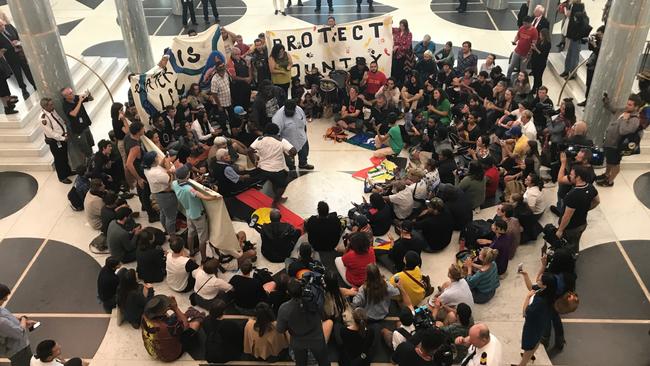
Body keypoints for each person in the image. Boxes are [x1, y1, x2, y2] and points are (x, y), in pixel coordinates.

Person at [276, 279, 333, 366]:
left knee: (301, 363)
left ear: (288, 292)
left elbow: (280, 329)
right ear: (302, 288)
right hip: (317, 339)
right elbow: (324, 314)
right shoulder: (315, 300)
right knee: (324, 362)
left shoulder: (284, 309)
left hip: (298, 342)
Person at [172, 164, 217, 260]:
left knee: (191, 233)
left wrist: (195, 181)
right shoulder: (189, 189)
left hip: (189, 213)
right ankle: (204, 259)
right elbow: (203, 197)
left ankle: (191, 252)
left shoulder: (175, 184)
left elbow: (185, 184)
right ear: (188, 175)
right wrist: (215, 196)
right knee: (202, 239)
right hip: (198, 215)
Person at [597, 94, 643, 187]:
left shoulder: (635, 120)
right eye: (627, 103)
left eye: (630, 105)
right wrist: (607, 102)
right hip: (609, 142)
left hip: (616, 146)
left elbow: (623, 131)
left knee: (615, 164)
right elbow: (614, 109)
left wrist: (625, 120)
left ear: (636, 107)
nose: (627, 106)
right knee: (609, 160)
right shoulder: (623, 110)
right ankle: (606, 174)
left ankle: (609, 181)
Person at [141, 295, 202, 362]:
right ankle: (200, 317)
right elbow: (186, 326)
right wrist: (175, 308)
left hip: (152, 352)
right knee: (195, 324)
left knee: (176, 316)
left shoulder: (144, 316)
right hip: (170, 356)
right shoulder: (169, 325)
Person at [514, 272, 557, 366]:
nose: (537, 280)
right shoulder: (548, 292)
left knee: (528, 346)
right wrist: (525, 275)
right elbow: (532, 288)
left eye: (540, 280)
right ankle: (530, 355)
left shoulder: (539, 302)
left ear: (545, 285)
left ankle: (522, 364)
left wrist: (527, 297)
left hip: (532, 326)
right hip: (541, 323)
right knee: (536, 341)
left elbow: (525, 313)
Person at [248, 123, 297, 206]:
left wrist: (254, 162)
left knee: (274, 183)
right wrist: (291, 156)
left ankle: (278, 198)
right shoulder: (281, 140)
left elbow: (249, 150)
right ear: (277, 131)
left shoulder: (259, 139)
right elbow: (294, 151)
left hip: (262, 168)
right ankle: (275, 202)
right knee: (282, 186)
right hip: (277, 169)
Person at [557, 164, 600, 254]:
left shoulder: (572, 195)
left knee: (568, 246)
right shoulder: (591, 187)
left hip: (571, 228)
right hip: (582, 223)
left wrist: (560, 230)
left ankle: (571, 258)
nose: (569, 176)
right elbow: (597, 201)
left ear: (578, 177)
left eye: (572, 175)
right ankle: (575, 253)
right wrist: (585, 209)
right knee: (575, 242)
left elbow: (567, 216)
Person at [124, 122, 159, 222]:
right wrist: (139, 178)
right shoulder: (135, 147)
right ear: (138, 131)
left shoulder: (128, 137)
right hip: (139, 170)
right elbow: (128, 164)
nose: (144, 130)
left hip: (136, 168)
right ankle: (151, 215)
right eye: (143, 129)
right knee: (145, 191)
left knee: (141, 189)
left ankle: (144, 205)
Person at [142, 152, 177, 238]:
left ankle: (166, 230)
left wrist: (164, 159)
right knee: (170, 217)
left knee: (163, 213)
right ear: (154, 160)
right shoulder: (156, 173)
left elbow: (160, 167)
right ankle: (173, 237)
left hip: (159, 195)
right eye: (157, 157)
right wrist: (168, 163)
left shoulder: (147, 168)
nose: (158, 158)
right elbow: (170, 180)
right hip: (166, 196)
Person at [0, 283, 35, 366]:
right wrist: (23, 318)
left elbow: (7, 316)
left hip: (17, 347)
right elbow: (19, 332)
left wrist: (22, 321)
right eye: (3, 298)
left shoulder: (1, 310)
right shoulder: (1, 322)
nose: (6, 299)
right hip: (18, 350)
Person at [272, 99, 313, 170]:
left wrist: (305, 135)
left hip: (301, 137)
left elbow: (304, 123)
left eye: (292, 111)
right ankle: (291, 167)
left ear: (295, 108)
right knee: (290, 160)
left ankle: (303, 164)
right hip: (287, 140)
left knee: (304, 152)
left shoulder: (299, 110)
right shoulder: (278, 116)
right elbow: (276, 135)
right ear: (285, 108)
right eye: (288, 111)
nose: (290, 112)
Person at [39, 98, 72, 183]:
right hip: (55, 141)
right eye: (50, 105)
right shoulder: (43, 118)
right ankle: (62, 177)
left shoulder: (52, 111)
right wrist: (63, 138)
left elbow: (60, 121)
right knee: (59, 159)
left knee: (64, 157)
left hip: (62, 138)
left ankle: (68, 172)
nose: (53, 106)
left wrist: (65, 133)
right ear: (45, 107)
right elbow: (51, 133)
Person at [61, 87, 95, 171]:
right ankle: (89, 166)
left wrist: (88, 95)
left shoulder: (75, 97)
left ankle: (94, 160)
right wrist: (79, 101)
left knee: (90, 143)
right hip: (78, 131)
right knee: (85, 148)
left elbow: (91, 99)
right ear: (66, 96)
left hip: (85, 126)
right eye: (70, 93)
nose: (72, 94)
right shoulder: (65, 105)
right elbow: (73, 113)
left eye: (72, 92)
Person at [0, 18, 34, 100]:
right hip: (11, 58)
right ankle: (23, 90)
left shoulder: (10, 26)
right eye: (0, 26)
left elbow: (20, 36)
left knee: (27, 70)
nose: (2, 27)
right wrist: (10, 46)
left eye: (2, 25)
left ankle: (34, 85)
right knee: (18, 74)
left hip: (20, 54)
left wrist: (18, 41)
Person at [560, 0, 588, 79]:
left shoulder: (578, 6)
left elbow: (569, 15)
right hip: (573, 33)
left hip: (576, 34)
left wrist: (565, 8)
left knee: (574, 54)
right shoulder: (575, 5)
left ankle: (572, 73)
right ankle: (567, 70)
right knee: (570, 53)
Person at [579, 25, 605, 106]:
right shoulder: (599, 41)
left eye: (600, 34)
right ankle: (586, 100)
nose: (599, 36)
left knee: (592, 86)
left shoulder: (605, 43)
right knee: (588, 84)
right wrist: (591, 42)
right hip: (591, 65)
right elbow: (591, 49)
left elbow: (599, 53)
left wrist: (595, 45)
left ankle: (590, 102)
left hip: (596, 66)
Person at [507, 16, 538, 82]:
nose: (524, 25)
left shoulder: (534, 31)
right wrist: (515, 41)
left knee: (522, 69)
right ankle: (507, 78)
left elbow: (534, 43)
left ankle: (520, 82)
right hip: (517, 51)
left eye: (525, 24)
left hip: (525, 54)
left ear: (530, 23)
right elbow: (518, 36)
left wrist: (528, 56)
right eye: (523, 23)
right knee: (511, 66)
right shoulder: (522, 28)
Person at [530, 28, 551, 94]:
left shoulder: (548, 44)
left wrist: (536, 49)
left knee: (538, 77)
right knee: (535, 76)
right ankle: (534, 89)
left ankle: (538, 90)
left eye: (541, 35)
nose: (540, 36)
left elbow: (543, 55)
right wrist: (533, 48)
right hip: (535, 61)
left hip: (541, 63)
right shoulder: (539, 41)